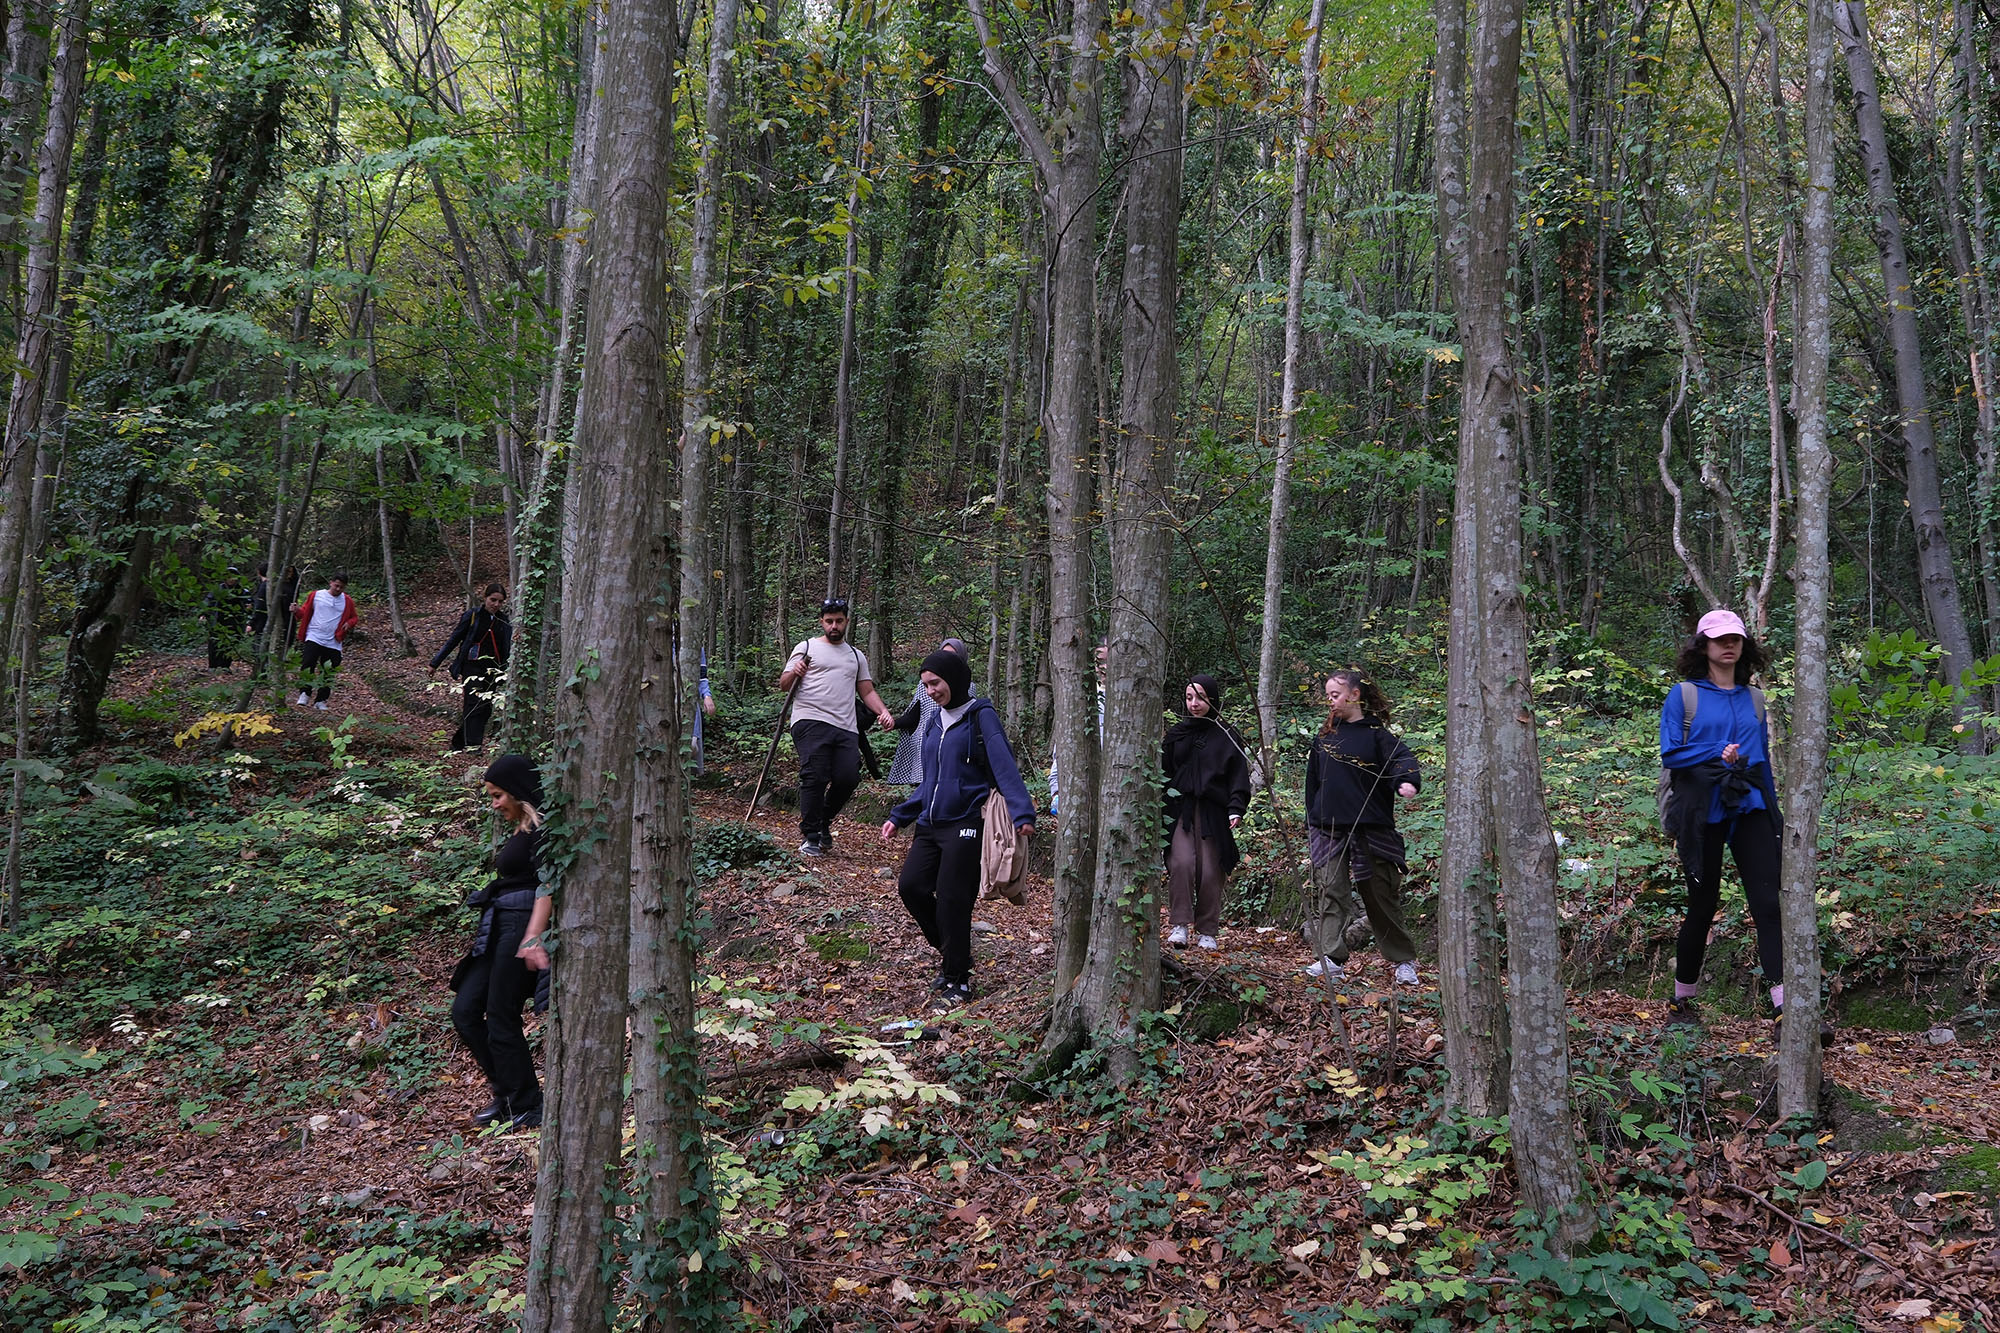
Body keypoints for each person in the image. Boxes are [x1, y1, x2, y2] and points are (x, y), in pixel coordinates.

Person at [879, 648, 1035, 1007]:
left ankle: (958, 980)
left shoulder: (982, 717)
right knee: (911, 887)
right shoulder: (933, 721)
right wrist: (900, 815)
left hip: (966, 821)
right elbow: (929, 781)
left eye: (935, 683)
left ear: (955, 678)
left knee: (953, 899)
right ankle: (955, 953)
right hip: (929, 823)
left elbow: (1004, 767)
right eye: (926, 685)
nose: (931, 691)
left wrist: (1022, 813)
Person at [1661, 608, 1789, 1027]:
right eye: (1720, 640)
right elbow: (1671, 753)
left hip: (1750, 807)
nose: (1729, 645)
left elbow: (1764, 763)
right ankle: (1682, 1003)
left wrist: (1776, 819)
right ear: (1704, 646)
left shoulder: (1754, 698)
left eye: (1735, 638)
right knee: (1702, 905)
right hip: (1702, 811)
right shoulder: (1685, 695)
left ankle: (1785, 1010)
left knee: (1768, 906)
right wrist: (1715, 752)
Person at [1302, 668, 1423, 985]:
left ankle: (1403, 961)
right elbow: (1312, 784)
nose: (1330, 701)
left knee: (1379, 894)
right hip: (1328, 828)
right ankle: (1331, 958)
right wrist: (1313, 818)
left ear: (1355, 695)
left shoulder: (1378, 737)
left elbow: (1403, 761)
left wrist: (1406, 782)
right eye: (1327, 696)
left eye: (1335, 695)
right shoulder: (1324, 738)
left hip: (1371, 828)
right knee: (1330, 892)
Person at [448, 754, 549, 1130]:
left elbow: (548, 884)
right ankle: (509, 1093)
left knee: (502, 1014)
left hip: (520, 924)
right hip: (498, 923)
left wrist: (534, 936)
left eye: (498, 794)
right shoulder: (523, 828)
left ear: (519, 791)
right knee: (465, 1010)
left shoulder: (545, 829)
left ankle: (524, 1103)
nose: (494, 804)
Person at [777, 597, 895, 857]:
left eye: (838, 621)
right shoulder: (806, 647)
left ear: (847, 622)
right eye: (829, 621)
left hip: (845, 725)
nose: (834, 626)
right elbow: (784, 685)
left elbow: (867, 691)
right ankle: (811, 836)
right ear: (822, 622)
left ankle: (822, 820)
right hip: (810, 719)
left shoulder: (856, 656)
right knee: (815, 774)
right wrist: (794, 671)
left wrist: (883, 711)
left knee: (848, 777)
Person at [1161, 673, 1253, 951]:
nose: (1194, 703)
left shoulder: (1226, 736)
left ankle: (1207, 930)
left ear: (1212, 699)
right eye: (1189, 697)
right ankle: (1179, 925)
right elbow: (1163, 774)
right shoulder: (1176, 735)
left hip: (1214, 811)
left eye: (1200, 697)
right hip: (1179, 810)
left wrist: (1236, 806)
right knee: (1180, 863)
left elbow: (1238, 775)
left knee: (1211, 869)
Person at [431, 583, 512, 750]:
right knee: (474, 703)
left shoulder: (503, 620)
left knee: (486, 708)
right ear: (485, 598)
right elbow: (454, 639)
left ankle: (459, 742)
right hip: (471, 666)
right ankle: (473, 746)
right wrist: (435, 663)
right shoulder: (472, 615)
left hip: (493, 670)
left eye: (500, 601)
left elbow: (507, 645)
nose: (496, 604)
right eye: (493, 600)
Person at [887, 637, 971, 786]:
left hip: (952, 747)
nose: (931, 690)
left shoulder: (969, 688)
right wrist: (894, 723)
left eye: (953, 655)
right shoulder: (925, 684)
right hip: (926, 743)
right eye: (944, 654)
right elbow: (915, 715)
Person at [292, 572, 358, 710]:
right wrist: (296, 610)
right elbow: (304, 612)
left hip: (333, 640)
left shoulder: (347, 601)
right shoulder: (316, 595)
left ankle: (321, 700)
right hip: (314, 635)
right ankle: (305, 693)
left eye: (342, 587)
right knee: (308, 663)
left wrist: (349, 624)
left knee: (329, 670)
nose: (338, 589)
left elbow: (354, 617)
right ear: (331, 582)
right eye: (336, 586)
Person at [278, 565, 301, 649]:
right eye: (287, 572)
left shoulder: (294, 584)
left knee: (289, 637)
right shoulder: (278, 585)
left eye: (291, 572)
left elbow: (295, 599)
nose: (289, 574)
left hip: (289, 614)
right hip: (280, 613)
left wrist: (296, 607)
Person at [246, 564, 271, 642]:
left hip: (261, 623)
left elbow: (259, 606)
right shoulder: (271, 586)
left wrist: (251, 623)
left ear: (259, 573)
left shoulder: (263, 587)